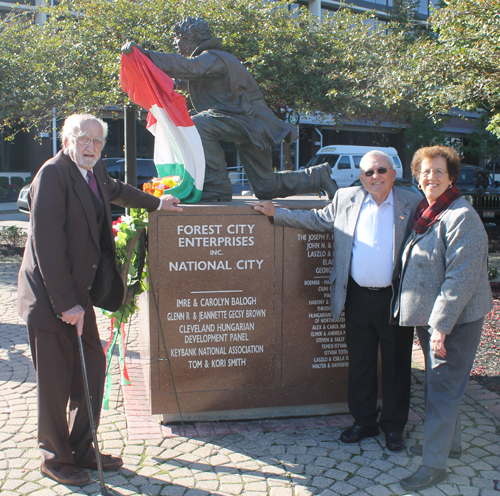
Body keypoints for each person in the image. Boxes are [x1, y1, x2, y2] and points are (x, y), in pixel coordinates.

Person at [17, 114, 183, 486]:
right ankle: (55, 458)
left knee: (91, 367)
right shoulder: (53, 174)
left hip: (78, 296)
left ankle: (82, 448)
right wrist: (65, 304)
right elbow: (47, 244)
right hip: (50, 299)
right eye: (83, 139)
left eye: (96, 141)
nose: (90, 147)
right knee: (56, 381)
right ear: (66, 139)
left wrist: (157, 204)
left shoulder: (94, 170)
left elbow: (116, 189)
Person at [254, 150, 421, 451]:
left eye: (381, 170)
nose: (375, 177)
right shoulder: (346, 198)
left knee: (397, 366)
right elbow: (317, 220)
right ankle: (364, 421)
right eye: (368, 172)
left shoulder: (411, 203)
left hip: (395, 298)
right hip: (355, 296)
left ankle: (394, 426)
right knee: (360, 363)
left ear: (393, 173)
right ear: (360, 177)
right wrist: (276, 213)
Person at [121, 16, 336, 202]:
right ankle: (317, 176)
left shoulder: (213, 58)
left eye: (179, 38)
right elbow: (196, 80)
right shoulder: (211, 62)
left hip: (246, 120)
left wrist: (147, 55)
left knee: (199, 125)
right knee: (266, 188)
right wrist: (173, 84)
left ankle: (217, 186)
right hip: (243, 122)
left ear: (193, 38)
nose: (176, 44)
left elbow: (189, 67)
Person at [395, 146, 493, 491]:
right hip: (434, 317)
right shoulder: (429, 211)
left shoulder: (461, 216)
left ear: (451, 176)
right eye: (425, 171)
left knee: (442, 391)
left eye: (438, 171)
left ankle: (433, 466)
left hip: (455, 321)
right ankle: (450, 447)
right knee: (442, 386)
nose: (430, 177)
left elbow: (461, 278)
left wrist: (440, 326)